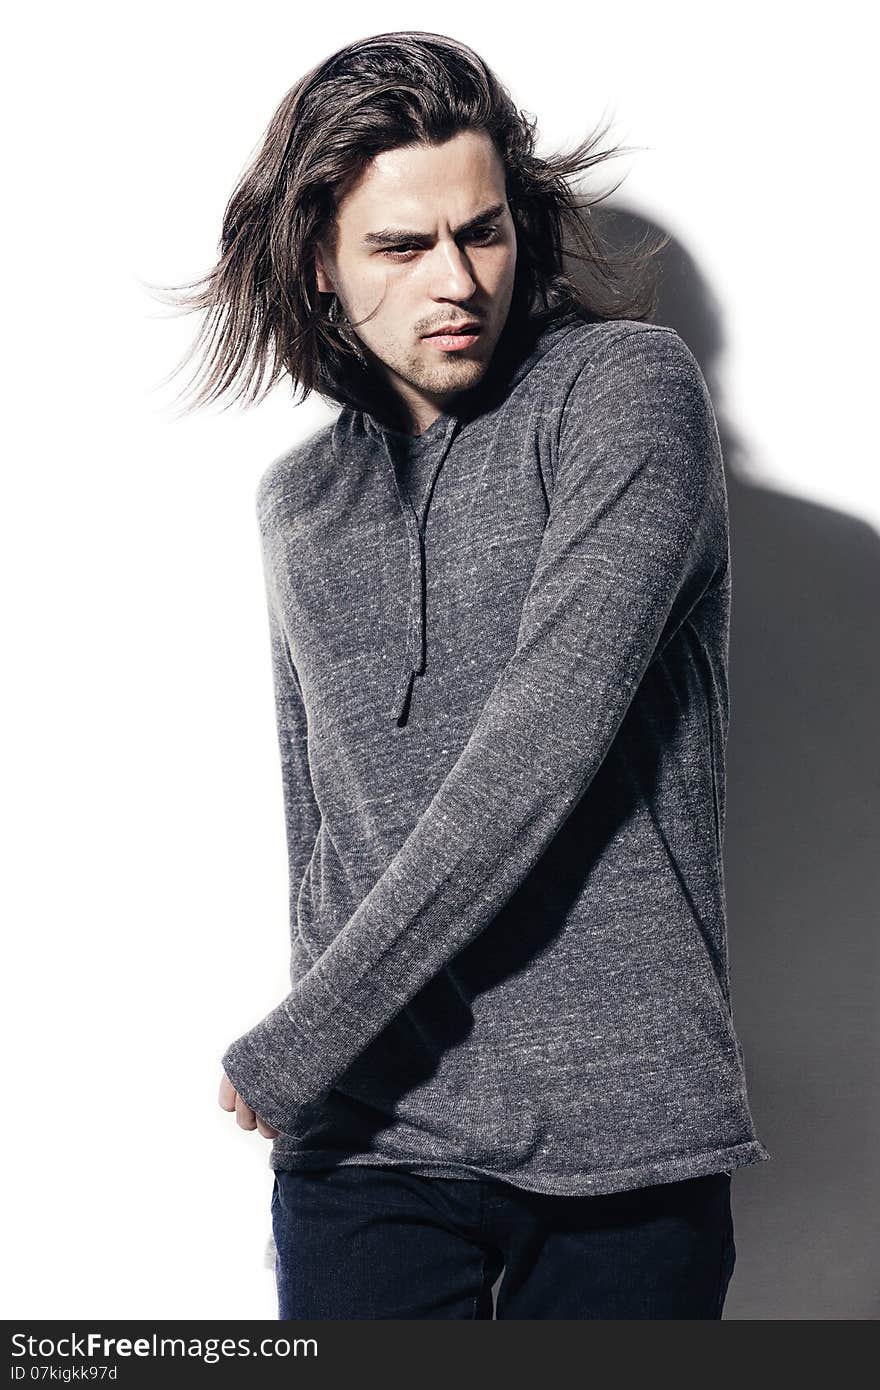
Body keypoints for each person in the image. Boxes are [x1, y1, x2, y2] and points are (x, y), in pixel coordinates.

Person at [160, 30, 770, 1319]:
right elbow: (318, 819)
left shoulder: (623, 395)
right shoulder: (300, 500)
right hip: (371, 1144)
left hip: (624, 1130)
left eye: (481, 233)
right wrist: (324, 1072)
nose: (458, 280)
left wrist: (301, 1036)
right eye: (400, 246)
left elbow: (543, 745)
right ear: (318, 267)